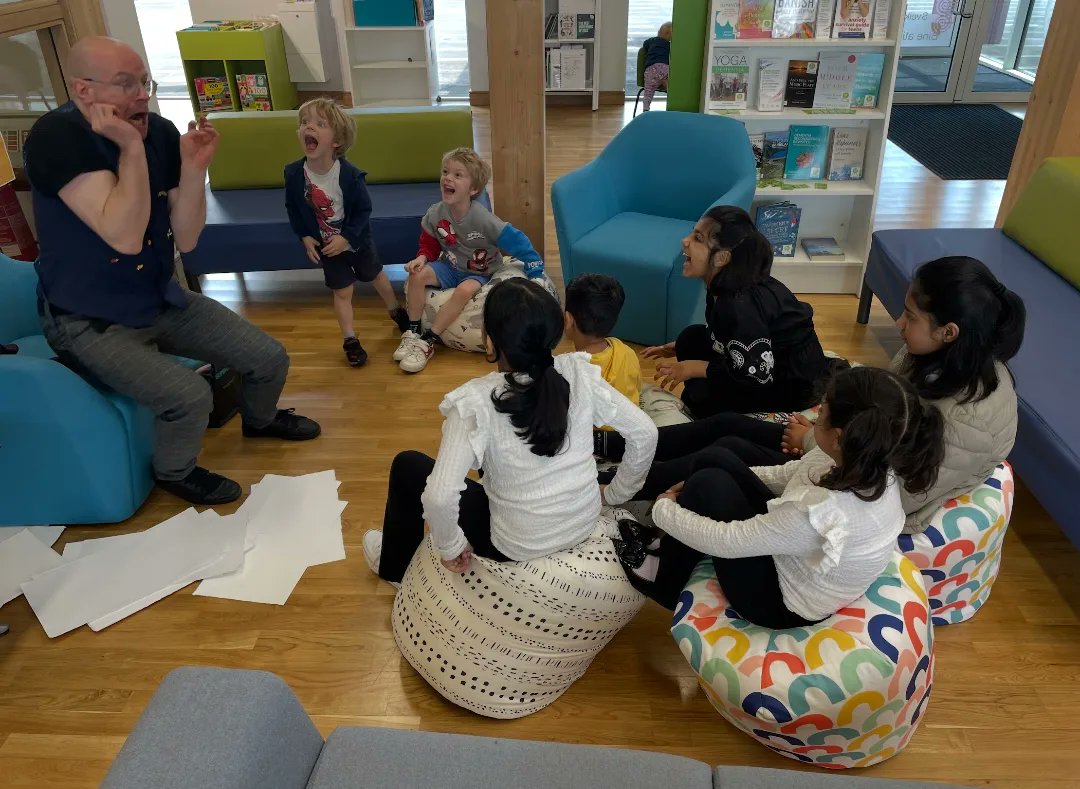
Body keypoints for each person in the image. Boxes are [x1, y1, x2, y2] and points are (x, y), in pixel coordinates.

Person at [23, 37, 320, 507]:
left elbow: (186, 238)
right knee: (189, 397)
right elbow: (122, 234)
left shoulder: (157, 131)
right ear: (84, 91)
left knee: (268, 358)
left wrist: (194, 171)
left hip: (156, 298)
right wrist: (131, 150)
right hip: (88, 319)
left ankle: (260, 422)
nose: (142, 94)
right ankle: (174, 471)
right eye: (126, 84)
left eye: (144, 81)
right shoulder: (57, 138)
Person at [364, 278, 658, 586]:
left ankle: (395, 569)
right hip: (582, 524)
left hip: (516, 548)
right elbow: (646, 434)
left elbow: (439, 497)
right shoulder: (579, 373)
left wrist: (452, 547)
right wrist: (615, 494)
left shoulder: (474, 402)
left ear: (489, 340)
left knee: (407, 464)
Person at [615, 367, 945, 626]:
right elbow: (789, 475)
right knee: (719, 459)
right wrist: (725, 475)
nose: (815, 415)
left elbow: (728, 540)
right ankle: (656, 529)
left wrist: (665, 511)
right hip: (797, 551)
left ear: (840, 435)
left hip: (778, 600)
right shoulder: (858, 458)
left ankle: (664, 582)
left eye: (823, 411)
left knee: (708, 486)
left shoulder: (823, 514)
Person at [783, 256, 1025, 533]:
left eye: (910, 317)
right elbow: (879, 411)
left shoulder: (967, 423)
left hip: (880, 500)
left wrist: (814, 441)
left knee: (740, 470)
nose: (898, 323)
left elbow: (893, 494)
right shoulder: (926, 354)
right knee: (734, 432)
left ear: (948, 332)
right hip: (864, 455)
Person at [594, 205, 829, 460]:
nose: (685, 242)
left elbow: (755, 374)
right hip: (764, 363)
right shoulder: (722, 287)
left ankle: (686, 425)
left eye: (697, 239)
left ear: (722, 258)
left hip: (788, 384)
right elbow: (729, 335)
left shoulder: (739, 305)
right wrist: (680, 348)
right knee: (690, 338)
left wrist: (694, 368)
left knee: (702, 396)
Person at [394, 147, 545, 373]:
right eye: (445, 172)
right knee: (416, 275)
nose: (447, 178)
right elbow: (430, 242)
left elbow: (516, 240)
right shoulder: (436, 212)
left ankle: (428, 340)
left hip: (480, 272)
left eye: (458, 175)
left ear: (473, 189)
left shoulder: (482, 218)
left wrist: (535, 267)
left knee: (464, 290)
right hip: (450, 266)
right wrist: (423, 257)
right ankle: (413, 331)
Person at [284, 97, 408, 367]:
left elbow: (364, 211)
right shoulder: (294, 174)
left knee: (375, 275)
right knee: (342, 292)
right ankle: (350, 339)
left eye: (319, 124)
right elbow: (293, 208)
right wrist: (304, 236)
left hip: (356, 241)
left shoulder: (349, 175)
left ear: (336, 141)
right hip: (327, 248)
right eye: (305, 123)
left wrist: (347, 238)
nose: (309, 128)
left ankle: (395, 310)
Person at [564, 273, 641, 408]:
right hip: (630, 423)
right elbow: (637, 387)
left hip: (594, 428)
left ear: (568, 320)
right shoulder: (627, 352)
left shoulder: (567, 369)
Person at [641, 22, 671, 112]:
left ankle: (646, 108)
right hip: (664, 68)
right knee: (667, 81)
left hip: (651, 69)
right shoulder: (669, 45)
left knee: (648, 90)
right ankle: (672, 99)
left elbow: (644, 45)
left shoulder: (652, 40)